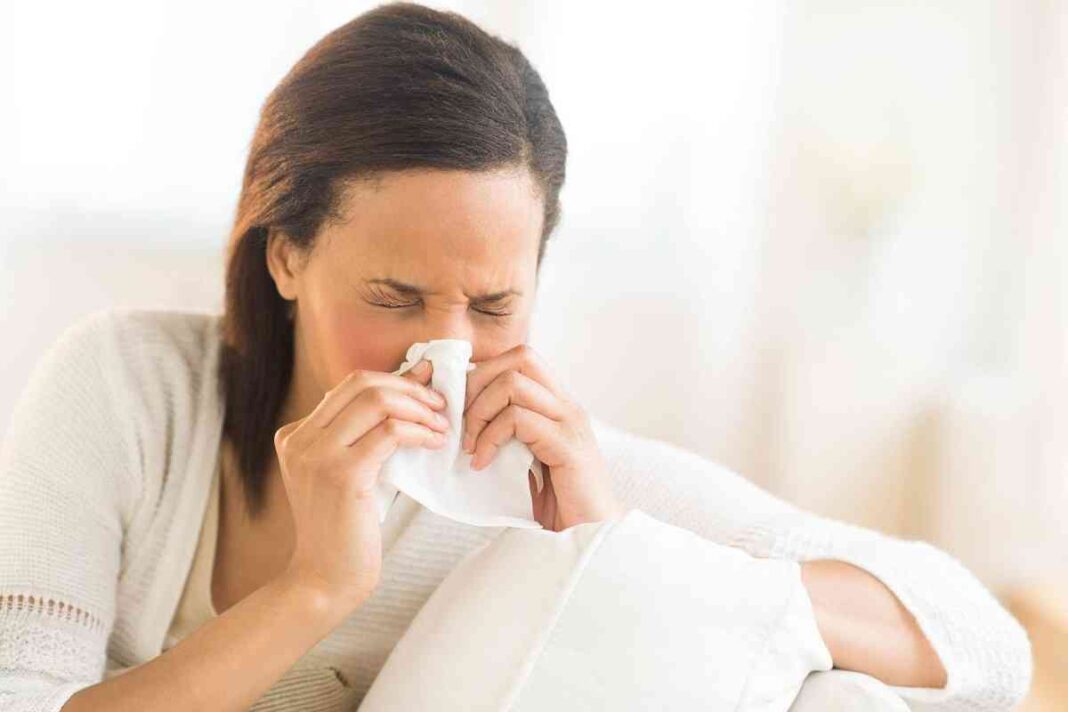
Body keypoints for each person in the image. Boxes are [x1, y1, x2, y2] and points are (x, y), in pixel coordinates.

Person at [0, 3, 1031, 711]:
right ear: (285, 256)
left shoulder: (532, 477)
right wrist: (312, 590)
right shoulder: (128, 392)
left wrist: (622, 552)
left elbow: (984, 643)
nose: (448, 349)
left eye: (495, 305)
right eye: (394, 297)